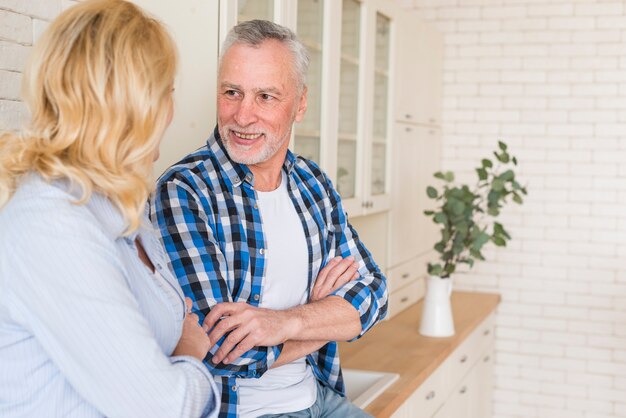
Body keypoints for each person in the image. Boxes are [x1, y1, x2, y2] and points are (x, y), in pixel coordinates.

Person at [151, 20, 388, 418]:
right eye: (232, 93)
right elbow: (220, 354)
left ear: (300, 103)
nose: (243, 116)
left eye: (265, 96)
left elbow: (374, 295)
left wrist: (286, 323)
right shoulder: (184, 192)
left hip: (320, 397)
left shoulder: (313, 183)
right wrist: (319, 317)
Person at [0, 1, 219, 417]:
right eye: (167, 93)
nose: (172, 111)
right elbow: (164, 406)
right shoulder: (52, 226)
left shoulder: (120, 210)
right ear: (136, 107)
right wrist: (191, 353)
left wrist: (177, 360)